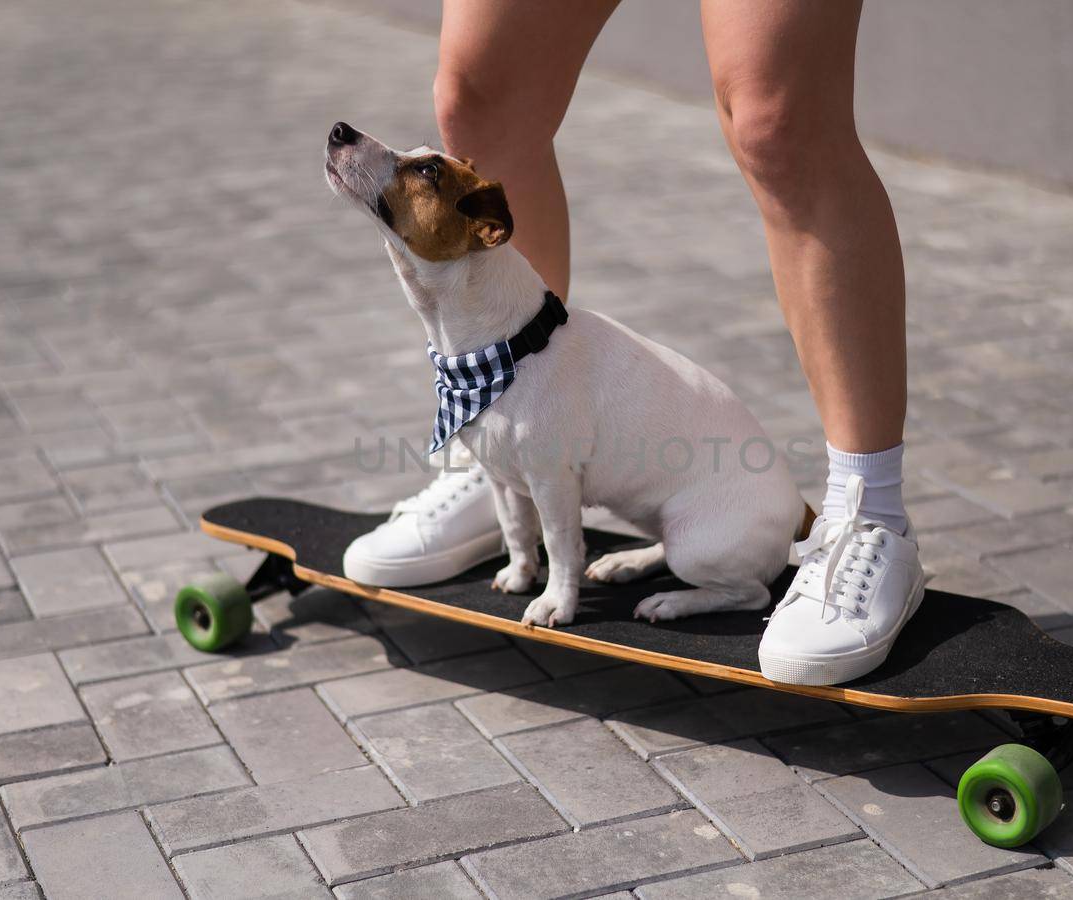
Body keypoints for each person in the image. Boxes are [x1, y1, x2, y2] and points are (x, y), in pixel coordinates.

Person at [342, 0, 920, 685]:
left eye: (425, 173)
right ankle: (504, 480)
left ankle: (867, 509)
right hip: (676, 491)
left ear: (487, 231)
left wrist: (564, 584)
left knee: (776, 124)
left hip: (728, 515)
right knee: (481, 97)